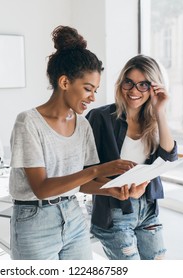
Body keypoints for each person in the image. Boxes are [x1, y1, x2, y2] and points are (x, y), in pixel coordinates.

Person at [9, 26, 148, 260]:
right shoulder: (28, 122)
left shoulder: (82, 125)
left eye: (95, 90)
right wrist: (99, 170)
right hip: (34, 220)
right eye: (87, 89)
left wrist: (115, 190)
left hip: (73, 214)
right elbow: (42, 188)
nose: (93, 97)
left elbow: (82, 182)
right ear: (64, 82)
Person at [86, 54, 178, 260]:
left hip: (148, 211)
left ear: (153, 89)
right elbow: (86, 170)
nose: (134, 90)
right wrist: (118, 189)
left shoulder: (153, 121)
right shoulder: (100, 117)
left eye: (143, 85)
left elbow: (169, 159)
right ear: (121, 83)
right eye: (129, 82)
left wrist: (160, 111)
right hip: (115, 212)